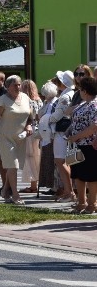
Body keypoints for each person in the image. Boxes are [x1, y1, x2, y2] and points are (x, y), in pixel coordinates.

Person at [0, 76, 34, 205]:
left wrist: (29, 125)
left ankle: (5, 190)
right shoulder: (2, 100)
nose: (18, 87)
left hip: (20, 137)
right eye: (15, 85)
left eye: (19, 84)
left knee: (15, 167)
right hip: (5, 136)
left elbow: (30, 116)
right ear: (8, 86)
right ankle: (15, 195)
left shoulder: (26, 98)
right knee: (13, 166)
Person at [64, 76, 97, 213]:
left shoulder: (94, 104)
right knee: (77, 174)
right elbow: (68, 113)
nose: (79, 92)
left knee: (91, 176)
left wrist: (76, 136)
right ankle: (81, 202)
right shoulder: (83, 104)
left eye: (81, 89)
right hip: (75, 144)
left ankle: (92, 204)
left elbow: (93, 126)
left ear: (86, 90)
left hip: (88, 144)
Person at [48, 70, 76, 202]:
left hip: (61, 132)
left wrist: (47, 119)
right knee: (65, 161)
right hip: (67, 131)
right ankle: (68, 191)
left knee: (60, 161)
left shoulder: (65, 96)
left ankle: (69, 191)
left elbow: (58, 115)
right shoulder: (71, 94)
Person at [20, 79, 43, 195]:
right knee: (37, 157)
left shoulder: (26, 101)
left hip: (29, 129)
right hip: (39, 130)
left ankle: (33, 184)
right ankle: (35, 183)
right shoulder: (39, 101)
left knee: (29, 157)